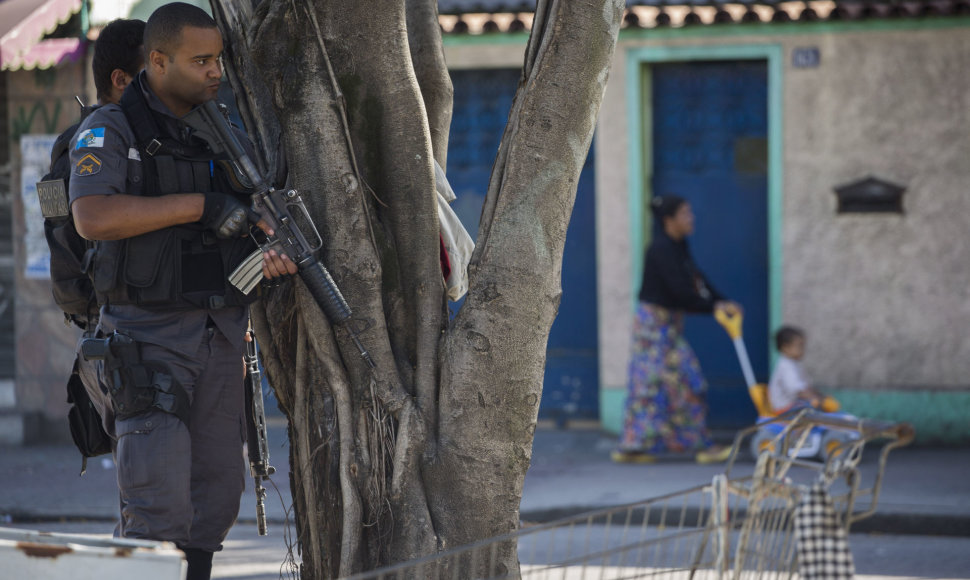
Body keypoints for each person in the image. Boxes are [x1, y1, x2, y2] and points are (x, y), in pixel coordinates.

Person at [68, 4, 296, 579]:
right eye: (201, 61)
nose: (215, 71)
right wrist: (202, 206)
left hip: (221, 339)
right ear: (158, 60)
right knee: (156, 507)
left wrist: (263, 253)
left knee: (214, 503)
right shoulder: (111, 128)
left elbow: (239, 227)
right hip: (147, 341)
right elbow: (91, 215)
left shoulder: (222, 130)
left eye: (217, 59)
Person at [612, 195, 741, 465]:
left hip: (669, 327)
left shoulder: (678, 245)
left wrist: (720, 301)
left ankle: (696, 444)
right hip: (653, 329)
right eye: (685, 213)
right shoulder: (659, 249)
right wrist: (714, 308)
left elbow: (696, 280)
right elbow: (681, 293)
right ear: (668, 220)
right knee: (650, 385)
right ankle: (635, 447)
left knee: (685, 383)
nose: (691, 217)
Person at [768, 326, 839, 414]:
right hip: (785, 409)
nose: (803, 350)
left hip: (795, 405)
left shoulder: (795, 364)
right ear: (785, 347)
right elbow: (799, 391)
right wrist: (818, 399)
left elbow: (806, 388)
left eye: (803, 346)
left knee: (818, 405)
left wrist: (822, 396)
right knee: (814, 407)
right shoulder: (786, 367)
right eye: (799, 346)